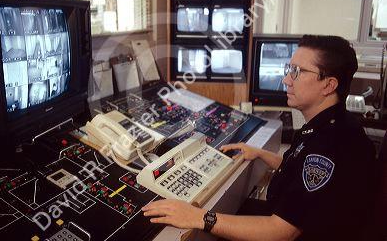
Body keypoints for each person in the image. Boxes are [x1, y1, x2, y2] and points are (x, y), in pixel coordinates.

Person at [142, 35, 377, 241]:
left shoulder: (328, 144)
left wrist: (200, 217)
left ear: (329, 85)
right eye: (289, 69)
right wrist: (262, 154)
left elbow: (281, 231)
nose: (286, 79)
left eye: (298, 71)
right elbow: (301, 172)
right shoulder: (330, 125)